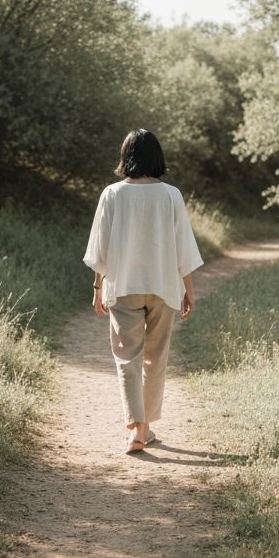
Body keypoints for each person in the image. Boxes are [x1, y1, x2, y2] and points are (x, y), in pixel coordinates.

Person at [83, 129, 204, 454]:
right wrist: (188, 290)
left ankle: (136, 429)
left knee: (128, 358)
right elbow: (183, 249)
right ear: (157, 157)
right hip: (164, 288)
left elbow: (101, 248)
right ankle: (145, 428)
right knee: (156, 359)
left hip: (123, 288)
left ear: (126, 157)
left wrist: (98, 287)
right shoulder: (171, 195)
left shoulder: (112, 194)